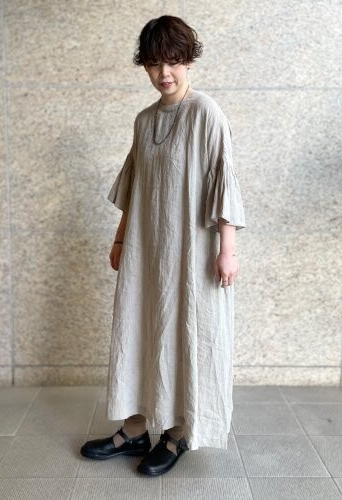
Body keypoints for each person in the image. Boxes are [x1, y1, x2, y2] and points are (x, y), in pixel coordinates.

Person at [80, 15, 246, 476]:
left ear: (188, 60)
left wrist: (227, 249)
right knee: (138, 329)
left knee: (183, 334)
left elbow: (223, 180)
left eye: (172, 61)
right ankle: (134, 429)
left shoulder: (206, 112)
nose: (164, 73)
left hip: (190, 253)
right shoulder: (144, 120)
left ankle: (177, 433)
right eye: (154, 64)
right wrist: (120, 239)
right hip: (145, 250)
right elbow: (135, 188)